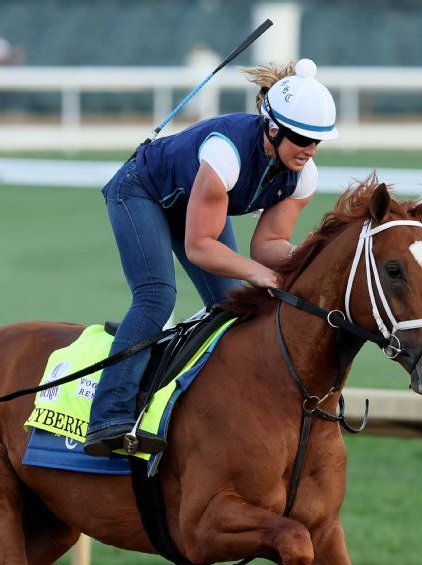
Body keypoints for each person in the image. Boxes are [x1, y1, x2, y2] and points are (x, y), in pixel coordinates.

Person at [84, 58, 339, 457]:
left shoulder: (302, 175)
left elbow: (268, 243)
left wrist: (305, 258)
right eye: (303, 140)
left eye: (317, 142)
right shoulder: (227, 154)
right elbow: (200, 246)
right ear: (273, 129)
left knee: (231, 308)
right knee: (156, 297)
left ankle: (209, 409)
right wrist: (261, 275)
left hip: (195, 204)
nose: (310, 152)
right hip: (140, 192)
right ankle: (108, 417)